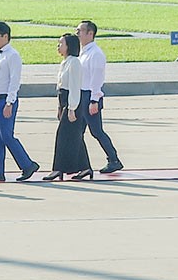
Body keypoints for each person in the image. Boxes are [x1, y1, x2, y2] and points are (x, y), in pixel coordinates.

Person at [0, 22, 40, 182]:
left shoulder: (13, 55)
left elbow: (14, 81)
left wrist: (10, 102)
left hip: (5, 100)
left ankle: (27, 164)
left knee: (6, 136)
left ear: (5, 36)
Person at [76, 20, 124, 174]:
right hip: (82, 95)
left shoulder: (95, 54)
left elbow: (97, 79)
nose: (77, 34)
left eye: (80, 31)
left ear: (90, 33)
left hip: (90, 96)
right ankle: (80, 163)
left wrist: (94, 100)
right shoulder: (83, 52)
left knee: (96, 131)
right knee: (78, 132)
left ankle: (114, 159)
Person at [43, 34, 93, 181]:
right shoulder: (65, 62)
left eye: (61, 43)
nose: (58, 46)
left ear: (69, 46)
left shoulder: (75, 63)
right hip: (65, 101)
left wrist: (72, 108)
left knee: (63, 136)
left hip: (73, 102)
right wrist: (60, 107)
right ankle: (85, 168)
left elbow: (74, 87)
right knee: (75, 136)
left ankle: (58, 169)